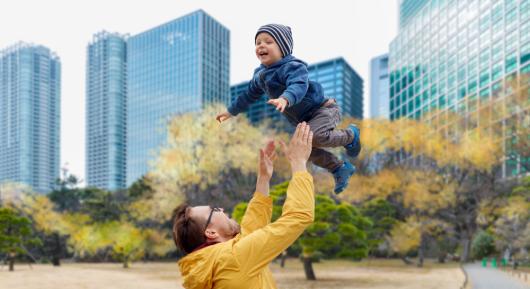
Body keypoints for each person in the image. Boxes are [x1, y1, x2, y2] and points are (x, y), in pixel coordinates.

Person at [216, 23, 361, 194]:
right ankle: (339, 167)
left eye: (268, 42)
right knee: (300, 149)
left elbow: (298, 85)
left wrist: (286, 98)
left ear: (283, 48)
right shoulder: (259, 76)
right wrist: (230, 111)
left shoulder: (293, 66)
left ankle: (350, 136)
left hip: (324, 109)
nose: (261, 45)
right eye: (258, 43)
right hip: (305, 120)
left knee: (315, 137)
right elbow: (248, 95)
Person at [173, 122, 315, 289]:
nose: (221, 209)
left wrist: (263, 179)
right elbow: (299, 216)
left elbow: (249, 234)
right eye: (214, 210)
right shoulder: (234, 258)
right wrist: (299, 163)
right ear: (210, 232)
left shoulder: (211, 264)